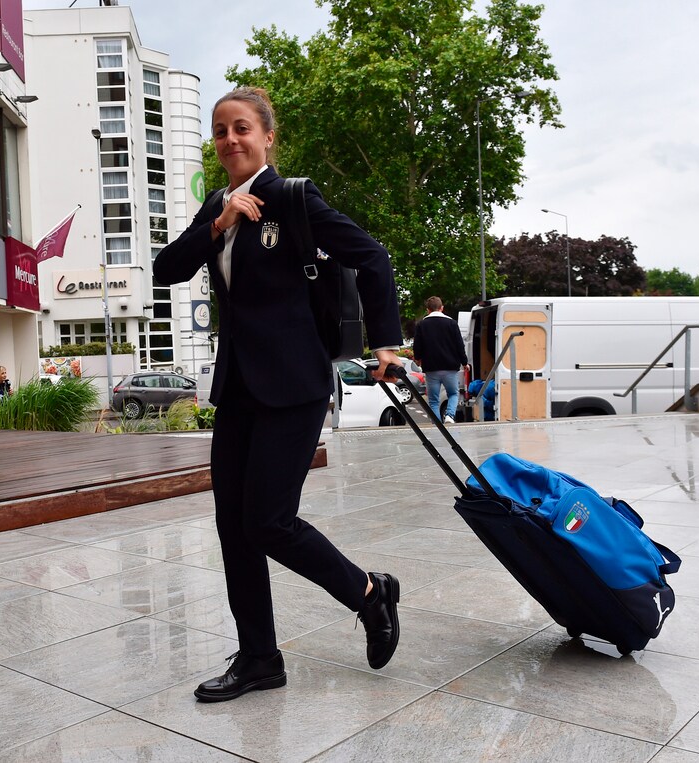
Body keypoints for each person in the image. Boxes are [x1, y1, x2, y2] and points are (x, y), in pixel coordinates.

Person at [153, 86, 405, 703]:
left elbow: (372, 257)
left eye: (242, 128)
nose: (230, 140)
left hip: (293, 383)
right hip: (238, 385)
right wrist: (219, 223)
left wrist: (387, 343)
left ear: (267, 137)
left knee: (268, 521)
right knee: (234, 528)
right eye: (220, 131)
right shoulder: (217, 205)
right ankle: (260, 658)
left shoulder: (293, 198)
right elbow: (167, 269)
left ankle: (368, 593)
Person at [413, 296, 468, 424]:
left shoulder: (422, 325)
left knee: (433, 400)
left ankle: (437, 425)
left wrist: (418, 358)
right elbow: (459, 345)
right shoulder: (452, 323)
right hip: (450, 367)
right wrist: (464, 363)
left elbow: (417, 346)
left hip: (431, 368)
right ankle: (449, 415)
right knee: (453, 394)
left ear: (428, 310)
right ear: (442, 308)